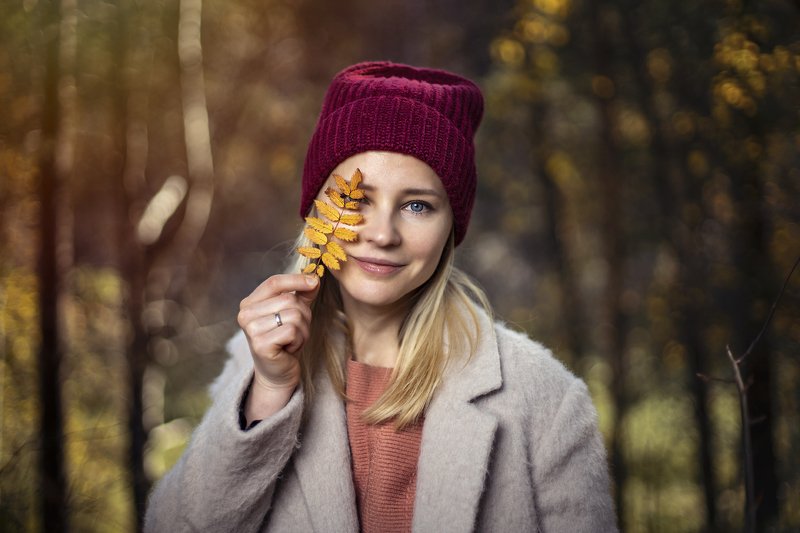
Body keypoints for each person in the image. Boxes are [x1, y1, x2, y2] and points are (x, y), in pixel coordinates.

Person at [144, 61, 617, 533]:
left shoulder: (545, 399)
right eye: (357, 200)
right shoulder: (257, 364)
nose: (382, 234)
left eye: (417, 206)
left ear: (452, 225)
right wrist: (268, 394)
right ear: (316, 211)